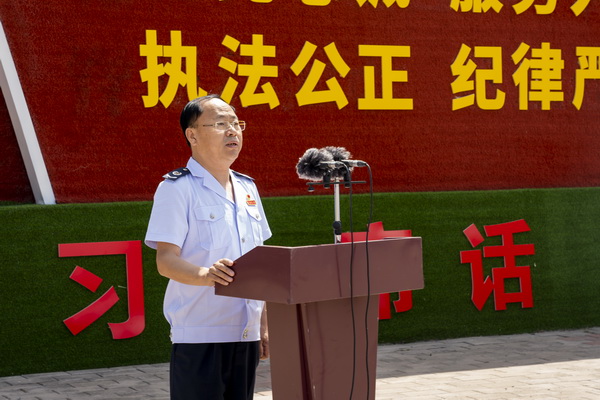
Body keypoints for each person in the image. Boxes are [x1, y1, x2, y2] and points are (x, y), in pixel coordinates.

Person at [145, 94, 272, 400]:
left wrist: (264, 323)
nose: (232, 131)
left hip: (245, 333)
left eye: (236, 123)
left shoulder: (248, 188)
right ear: (192, 135)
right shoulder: (177, 188)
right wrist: (206, 275)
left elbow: (260, 261)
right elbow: (166, 260)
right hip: (201, 335)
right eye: (220, 123)